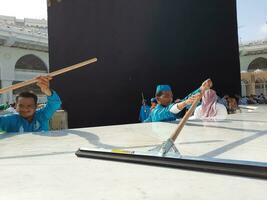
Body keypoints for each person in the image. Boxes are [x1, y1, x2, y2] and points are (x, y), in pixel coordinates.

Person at [144, 79, 212, 122]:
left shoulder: (172, 106)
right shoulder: (156, 112)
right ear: (158, 98)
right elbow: (169, 110)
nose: (170, 99)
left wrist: (201, 88)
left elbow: (186, 99)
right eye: (167, 96)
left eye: (171, 96)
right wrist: (185, 103)